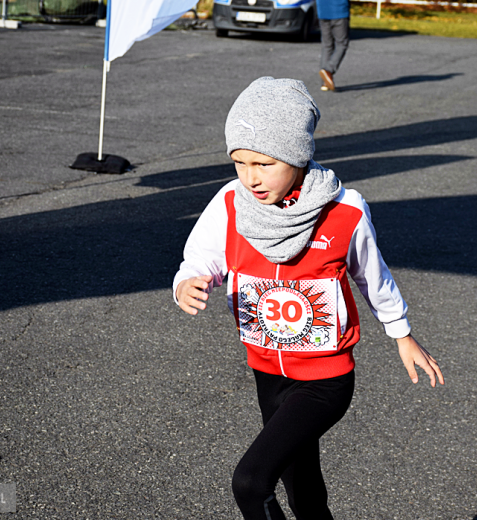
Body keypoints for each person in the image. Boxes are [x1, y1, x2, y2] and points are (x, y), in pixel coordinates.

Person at [173, 77, 444, 520]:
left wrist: (403, 335)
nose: (250, 177)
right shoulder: (229, 201)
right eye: (239, 162)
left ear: (297, 155)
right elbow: (200, 258)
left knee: (251, 482)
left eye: (263, 163)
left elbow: (373, 277)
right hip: (266, 371)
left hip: (324, 380)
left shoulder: (345, 210)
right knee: (304, 491)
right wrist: (189, 281)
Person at [317, 0, 350, 91]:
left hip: (323, 10)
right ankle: (328, 70)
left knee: (327, 45)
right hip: (339, 10)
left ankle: (325, 82)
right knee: (342, 44)